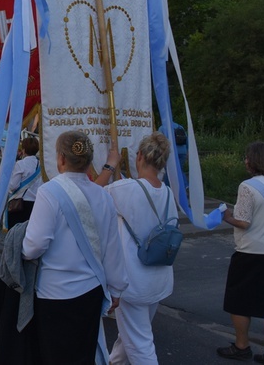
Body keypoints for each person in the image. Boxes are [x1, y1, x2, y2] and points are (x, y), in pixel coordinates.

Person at [22, 130, 128, 363]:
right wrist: (117, 288)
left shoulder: (49, 192)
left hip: (54, 292)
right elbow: (113, 248)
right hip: (90, 291)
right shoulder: (103, 196)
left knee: (54, 356)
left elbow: (33, 246)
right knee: (83, 354)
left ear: (60, 159)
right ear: (90, 161)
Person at [101, 132, 177, 365]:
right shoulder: (167, 193)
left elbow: (90, 195)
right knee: (131, 337)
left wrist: (109, 165)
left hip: (131, 280)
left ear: (140, 157)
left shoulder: (126, 188)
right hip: (158, 278)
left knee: (140, 344)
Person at [216, 142, 264, 365]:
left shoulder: (248, 187)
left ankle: (241, 346)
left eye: (246, 157)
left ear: (252, 161)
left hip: (252, 253)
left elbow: (243, 221)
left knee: (239, 301)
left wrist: (226, 216)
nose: (245, 161)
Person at [5, 137, 43, 227]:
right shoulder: (42, 165)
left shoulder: (20, 164)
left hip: (20, 205)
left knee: (17, 235)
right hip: (36, 204)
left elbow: (13, 186)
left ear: (24, 150)